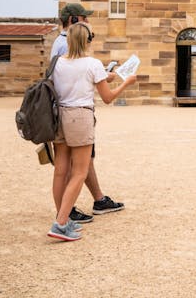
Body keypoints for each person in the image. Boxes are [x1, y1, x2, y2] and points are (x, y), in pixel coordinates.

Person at [47, 22, 136, 241]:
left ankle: (64, 219)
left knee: (60, 171)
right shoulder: (93, 64)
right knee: (79, 172)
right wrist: (126, 83)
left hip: (59, 117)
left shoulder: (56, 62)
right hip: (80, 117)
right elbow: (107, 98)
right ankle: (59, 225)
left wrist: (103, 78)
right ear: (87, 41)